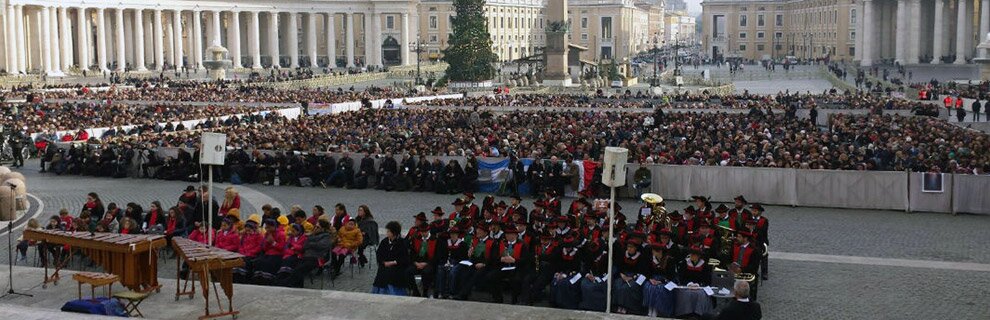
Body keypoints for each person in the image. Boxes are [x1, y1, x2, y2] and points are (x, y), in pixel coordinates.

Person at [373, 221, 410, 295]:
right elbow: (379, 254)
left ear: (394, 232)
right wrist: (383, 262)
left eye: (389, 231)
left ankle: (393, 292)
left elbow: (405, 258)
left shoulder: (402, 243)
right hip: (385, 264)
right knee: (382, 271)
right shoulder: (385, 241)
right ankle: (380, 292)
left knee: (391, 272)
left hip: (398, 266)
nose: (387, 233)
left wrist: (394, 262)